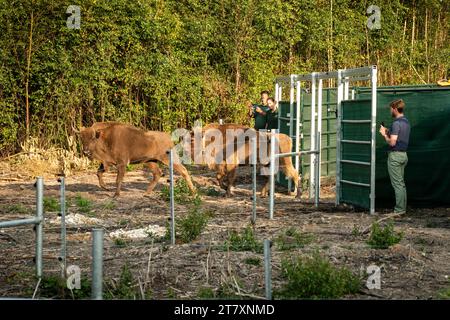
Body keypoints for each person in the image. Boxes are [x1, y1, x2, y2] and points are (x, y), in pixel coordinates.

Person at [379, 99, 410, 214]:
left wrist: (384, 135)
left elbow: (392, 142)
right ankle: (402, 208)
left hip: (395, 156)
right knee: (401, 183)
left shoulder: (396, 123)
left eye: (391, 109)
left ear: (395, 109)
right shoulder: (406, 122)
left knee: (397, 184)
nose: (390, 111)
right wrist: (387, 131)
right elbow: (398, 135)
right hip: (403, 155)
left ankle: (399, 210)